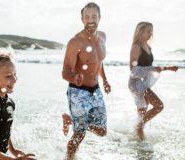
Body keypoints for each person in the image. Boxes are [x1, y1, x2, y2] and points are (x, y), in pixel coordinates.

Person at [61, 2, 111, 159]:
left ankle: (71, 120)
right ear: (82, 19)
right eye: (87, 17)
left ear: (100, 18)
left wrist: (105, 80)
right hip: (78, 91)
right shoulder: (75, 42)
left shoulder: (102, 37)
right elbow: (65, 71)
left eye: (94, 16)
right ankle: (69, 158)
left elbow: (98, 61)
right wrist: (74, 77)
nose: (91, 20)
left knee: (102, 131)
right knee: (79, 135)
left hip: (96, 90)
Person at [128, 22, 178, 141]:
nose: (151, 33)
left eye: (151, 31)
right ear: (140, 32)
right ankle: (138, 127)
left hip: (143, 82)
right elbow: (133, 70)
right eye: (148, 31)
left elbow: (150, 67)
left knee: (142, 113)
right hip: (136, 83)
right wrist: (154, 69)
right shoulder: (136, 47)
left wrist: (167, 68)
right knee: (158, 106)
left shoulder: (148, 47)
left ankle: (138, 141)